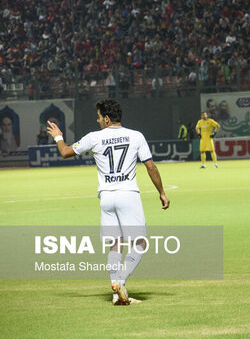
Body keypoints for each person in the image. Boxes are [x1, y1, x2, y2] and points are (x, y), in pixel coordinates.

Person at [46, 99, 170, 305]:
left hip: (106, 197)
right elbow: (151, 167)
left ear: (107, 118)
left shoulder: (95, 138)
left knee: (115, 244)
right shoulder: (136, 136)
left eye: (98, 116)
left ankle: (116, 295)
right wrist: (162, 193)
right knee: (140, 243)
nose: (97, 120)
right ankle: (120, 282)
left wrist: (58, 136)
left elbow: (65, 151)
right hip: (128, 194)